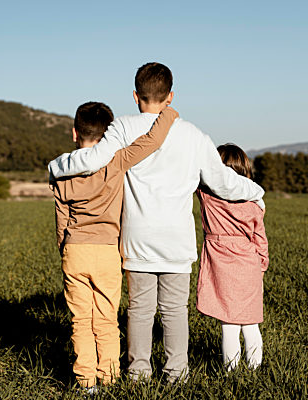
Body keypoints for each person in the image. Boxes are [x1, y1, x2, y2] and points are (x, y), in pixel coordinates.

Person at [48, 62, 266, 383]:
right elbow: (223, 182)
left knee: (139, 311)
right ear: (171, 96)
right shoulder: (193, 135)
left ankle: (138, 374)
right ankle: (176, 375)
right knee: (175, 311)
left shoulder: (121, 127)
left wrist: (56, 166)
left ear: (136, 96)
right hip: (177, 242)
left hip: (136, 240)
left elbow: (94, 158)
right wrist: (257, 192)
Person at [51, 101, 178, 393]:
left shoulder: (62, 171)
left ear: (74, 133)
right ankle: (109, 378)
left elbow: (60, 219)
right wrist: (167, 113)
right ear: (109, 134)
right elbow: (152, 141)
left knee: (80, 320)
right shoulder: (116, 161)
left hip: (75, 251)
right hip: (107, 250)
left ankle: (85, 382)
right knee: (107, 319)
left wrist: (66, 249)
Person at [196, 143, 269, 371]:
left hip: (221, 261)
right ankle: (254, 370)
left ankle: (232, 372)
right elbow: (260, 238)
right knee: (250, 323)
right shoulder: (253, 202)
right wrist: (261, 264)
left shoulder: (207, 195)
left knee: (229, 323)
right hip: (249, 262)